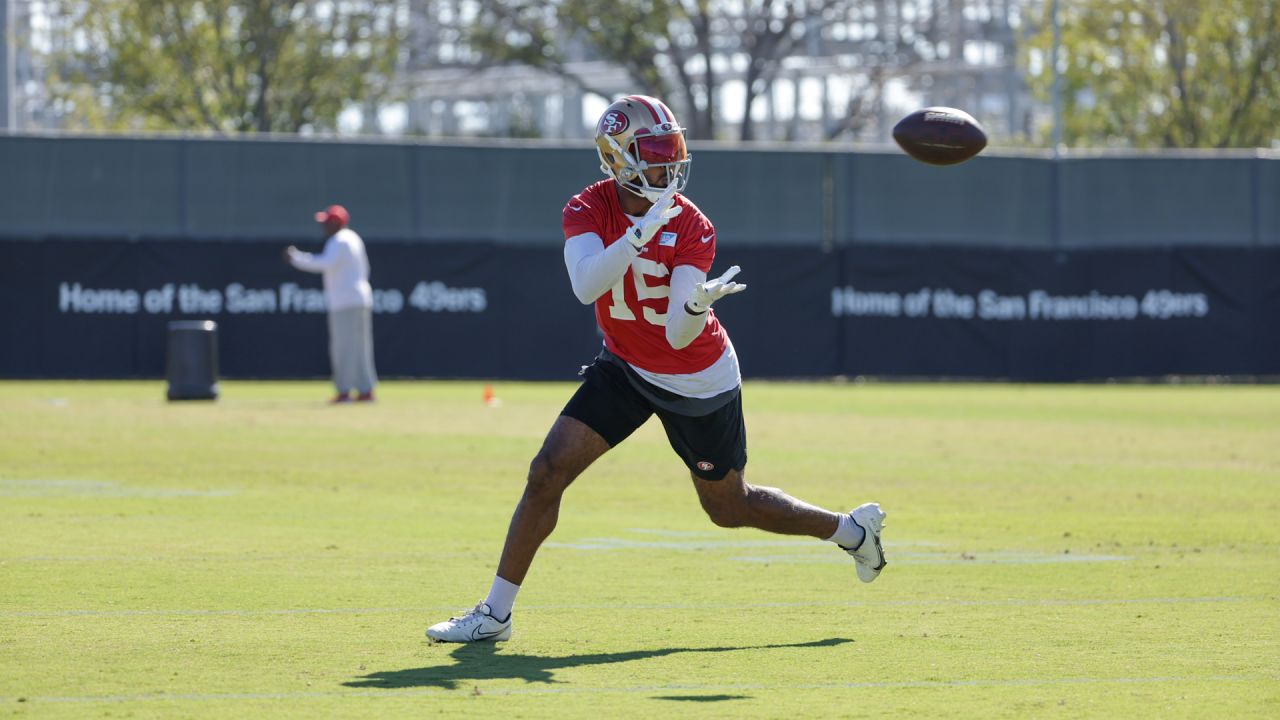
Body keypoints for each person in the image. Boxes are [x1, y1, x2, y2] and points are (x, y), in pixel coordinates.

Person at [427, 95, 886, 644]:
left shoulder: (692, 224)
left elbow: (675, 333)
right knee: (547, 470)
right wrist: (637, 236)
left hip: (697, 379)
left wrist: (695, 306)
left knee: (728, 507)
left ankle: (849, 530)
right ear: (618, 158)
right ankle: (495, 614)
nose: (670, 165)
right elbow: (585, 286)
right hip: (624, 366)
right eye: (655, 152)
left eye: (674, 150)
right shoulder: (588, 208)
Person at [284, 204, 378, 403]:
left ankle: (344, 392)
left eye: (326, 223)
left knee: (343, 348)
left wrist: (296, 258)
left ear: (335, 224)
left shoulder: (340, 241)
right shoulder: (353, 238)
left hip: (345, 302)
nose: (323, 227)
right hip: (360, 298)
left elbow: (323, 263)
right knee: (360, 348)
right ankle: (365, 390)